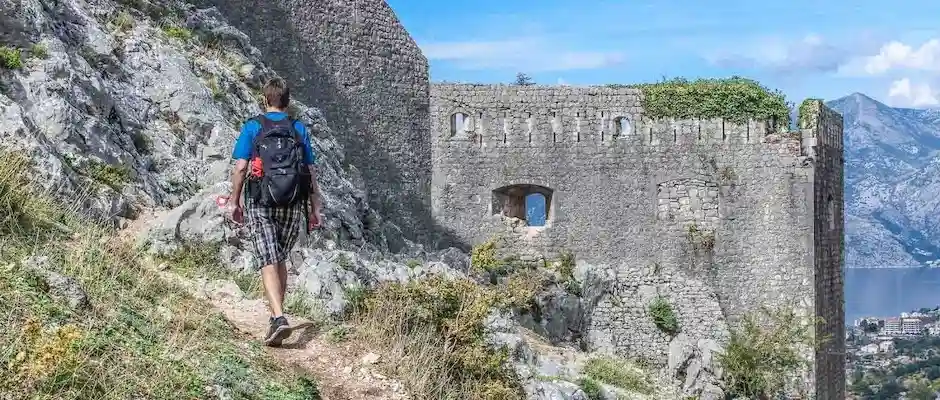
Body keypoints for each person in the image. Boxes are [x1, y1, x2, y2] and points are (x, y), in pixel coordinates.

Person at [227, 77, 323, 346]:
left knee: (268, 257)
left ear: (265, 99)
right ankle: (276, 319)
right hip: (293, 200)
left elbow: (240, 167)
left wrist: (235, 201)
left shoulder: (253, 126)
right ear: (288, 100)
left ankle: (279, 317)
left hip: (261, 199)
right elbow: (311, 171)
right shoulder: (298, 129)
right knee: (279, 257)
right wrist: (315, 207)